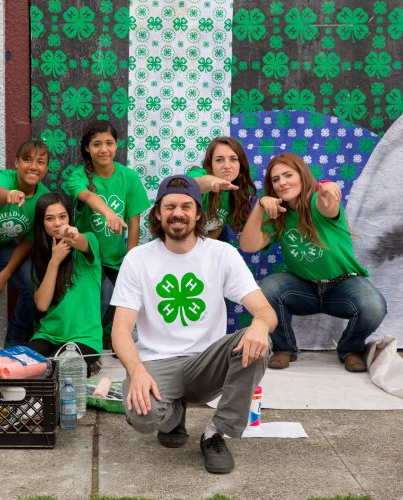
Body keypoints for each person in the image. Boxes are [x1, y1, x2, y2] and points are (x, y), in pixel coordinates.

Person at [111, 175, 277, 474]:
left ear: (198, 213)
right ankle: (173, 412)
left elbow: (265, 310)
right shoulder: (138, 259)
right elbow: (120, 330)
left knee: (258, 342)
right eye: (170, 206)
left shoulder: (221, 254)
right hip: (157, 361)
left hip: (206, 363)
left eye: (186, 206)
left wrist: (260, 325)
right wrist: (136, 372)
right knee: (142, 418)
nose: (178, 213)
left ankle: (216, 432)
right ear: (158, 213)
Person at [239, 152, 387, 372]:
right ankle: (285, 348)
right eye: (275, 179)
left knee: (374, 306)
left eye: (288, 175)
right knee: (267, 289)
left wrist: (328, 193)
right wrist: (260, 207)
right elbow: (248, 245)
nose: (282, 182)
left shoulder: (318, 201)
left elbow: (329, 207)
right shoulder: (278, 216)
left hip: (342, 285)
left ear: (302, 175)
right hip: (303, 287)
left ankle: (350, 349)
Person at [63, 120, 150, 327]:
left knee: (121, 304)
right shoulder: (78, 176)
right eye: (96, 144)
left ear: (117, 145)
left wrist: (130, 261)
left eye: (109, 143)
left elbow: (134, 224)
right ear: (87, 148)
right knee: (101, 297)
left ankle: (110, 339)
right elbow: (85, 196)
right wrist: (108, 213)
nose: (104, 149)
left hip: (117, 259)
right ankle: (86, 340)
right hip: (87, 256)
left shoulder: (129, 177)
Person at [0, 140, 50, 347]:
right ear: (16, 163)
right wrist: (10, 195)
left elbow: (28, 242)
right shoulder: (3, 178)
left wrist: (4, 274)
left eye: (40, 162)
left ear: (46, 168)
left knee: (31, 285)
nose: (33, 166)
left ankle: (13, 343)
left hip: (2, 245)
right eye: (27, 160)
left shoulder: (43, 198)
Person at [28, 193, 102, 374]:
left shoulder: (88, 243)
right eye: (49, 218)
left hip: (84, 338)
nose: (58, 223)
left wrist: (72, 235)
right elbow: (42, 304)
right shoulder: (42, 257)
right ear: (41, 224)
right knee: (20, 367)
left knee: (51, 372)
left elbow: (80, 241)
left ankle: (91, 364)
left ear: (70, 217)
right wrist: (54, 261)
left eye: (63, 216)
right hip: (48, 335)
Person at [187, 136, 256, 241]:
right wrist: (212, 182)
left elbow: (220, 225)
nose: (227, 166)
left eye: (233, 159)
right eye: (219, 160)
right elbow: (194, 184)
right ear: (210, 164)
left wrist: (201, 249)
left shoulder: (236, 192)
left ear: (240, 164)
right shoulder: (199, 174)